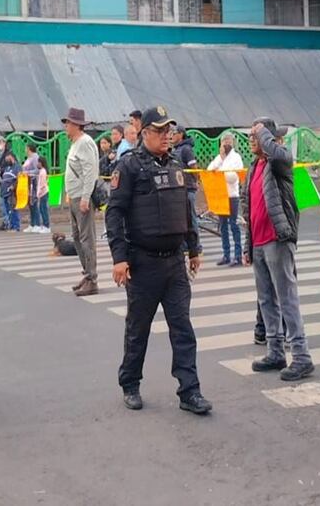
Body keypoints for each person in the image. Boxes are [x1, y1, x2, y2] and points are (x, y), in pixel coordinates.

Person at [105, 105, 212, 415]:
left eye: (170, 131)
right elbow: (114, 214)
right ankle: (130, 383)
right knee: (138, 328)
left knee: (183, 328)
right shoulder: (129, 167)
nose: (167, 136)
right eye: (161, 131)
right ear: (145, 133)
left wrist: (193, 249)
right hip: (143, 264)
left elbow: (186, 211)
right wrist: (119, 258)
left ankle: (190, 391)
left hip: (174, 264)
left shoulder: (177, 164)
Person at [242, 118, 314, 381]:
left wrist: (265, 136)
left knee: (287, 298)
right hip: (259, 242)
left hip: (277, 240)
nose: (252, 140)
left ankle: (302, 356)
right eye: (251, 136)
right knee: (266, 300)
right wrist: (247, 245)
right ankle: (275, 351)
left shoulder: (278, 163)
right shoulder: (255, 167)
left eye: (256, 136)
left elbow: (282, 154)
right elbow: (248, 208)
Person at [63, 107, 100, 296]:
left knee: (86, 239)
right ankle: (87, 274)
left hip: (82, 198)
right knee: (77, 237)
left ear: (77, 125)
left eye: (68, 123)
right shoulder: (75, 143)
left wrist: (86, 197)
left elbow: (89, 171)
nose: (65, 126)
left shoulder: (85, 143)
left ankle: (92, 279)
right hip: (74, 196)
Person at [207, 133, 244, 267]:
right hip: (220, 196)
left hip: (232, 195)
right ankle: (226, 254)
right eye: (224, 141)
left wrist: (220, 172)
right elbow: (210, 170)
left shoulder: (236, 157)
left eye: (228, 141)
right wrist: (220, 160)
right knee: (222, 226)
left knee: (233, 225)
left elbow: (233, 177)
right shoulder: (219, 158)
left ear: (232, 143)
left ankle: (238, 256)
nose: (226, 143)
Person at [171, 125, 200, 243]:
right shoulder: (176, 149)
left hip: (188, 188)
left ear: (181, 134)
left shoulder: (186, 149)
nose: (171, 135)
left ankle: (196, 245)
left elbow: (194, 168)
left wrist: (195, 181)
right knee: (182, 219)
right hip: (179, 188)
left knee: (191, 218)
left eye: (174, 133)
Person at [0, 151, 21, 232]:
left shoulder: (17, 167)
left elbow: (19, 179)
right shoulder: (7, 168)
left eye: (8, 159)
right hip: (4, 192)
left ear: (12, 157)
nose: (6, 161)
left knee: (13, 209)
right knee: (8, 210)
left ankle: (16, 226)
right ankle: (11, 225)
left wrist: (13, 186)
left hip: (11, 192)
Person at [22, 144, 42, 231]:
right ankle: (32, 224)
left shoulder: (35, 157)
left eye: (26, 148)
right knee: (30, 203)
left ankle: (37, 224)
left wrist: (27, 172)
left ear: (29, 149)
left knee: (34, 203)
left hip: (34, 182)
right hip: (27, 182)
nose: (25, 149)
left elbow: (37, 170)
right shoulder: (29, 158)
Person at [35, 156, 51, 234]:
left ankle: (46, 226)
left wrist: (39, 192)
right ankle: (44, 225)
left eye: (38, 162)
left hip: (43, 193)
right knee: (41, 209)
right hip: (42, 193)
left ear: (41, 163)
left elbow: (42, 183)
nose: (37, 164)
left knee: (43, 209)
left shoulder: (43, 171)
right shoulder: (41, 171)